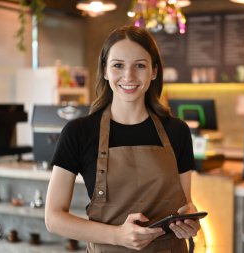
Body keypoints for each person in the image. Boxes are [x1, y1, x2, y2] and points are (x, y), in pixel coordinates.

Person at [45, 25, 201, 252]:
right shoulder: (79, 132)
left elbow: (185, 205)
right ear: (105, 71)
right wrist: (118, 236)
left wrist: (189, 222)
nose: (129, 76)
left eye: (140, 65)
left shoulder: (177, 131)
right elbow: (53, 218)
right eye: (118, 65)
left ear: (154, 71)